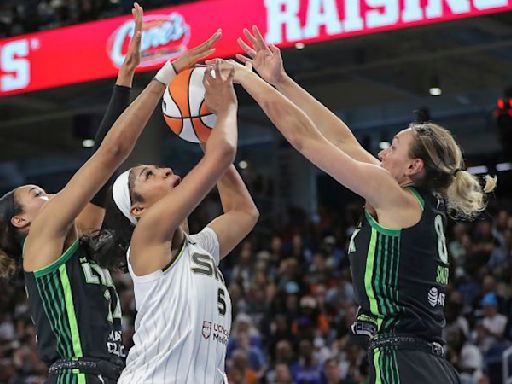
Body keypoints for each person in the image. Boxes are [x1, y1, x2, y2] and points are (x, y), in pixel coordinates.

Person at [222, 25, 497, 383]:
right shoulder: (412, 201)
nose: (382, 152)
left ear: (414, 167)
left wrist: (247, 80)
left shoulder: (395, 196)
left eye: (393, 146)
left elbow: (305, 140)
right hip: (427, 363)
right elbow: (342, 139)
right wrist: (282, 81)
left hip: (403, 360)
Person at [0, 3, 221, 380]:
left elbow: (102, 170)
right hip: (79, 375)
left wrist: (124, 80)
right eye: (37, 193)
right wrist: (164, 76)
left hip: (113, 373)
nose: (49, 195)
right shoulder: (41, 238)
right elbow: (110, 155)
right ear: (20, 220)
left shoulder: (71, 237)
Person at [108, 59, 259, 383]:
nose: (164, 170)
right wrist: (223, 112)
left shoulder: (198, 247)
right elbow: (222, 154)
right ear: (138, 210)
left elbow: (243, 212)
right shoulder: (147, 238)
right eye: (149, 175)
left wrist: (205, 132)